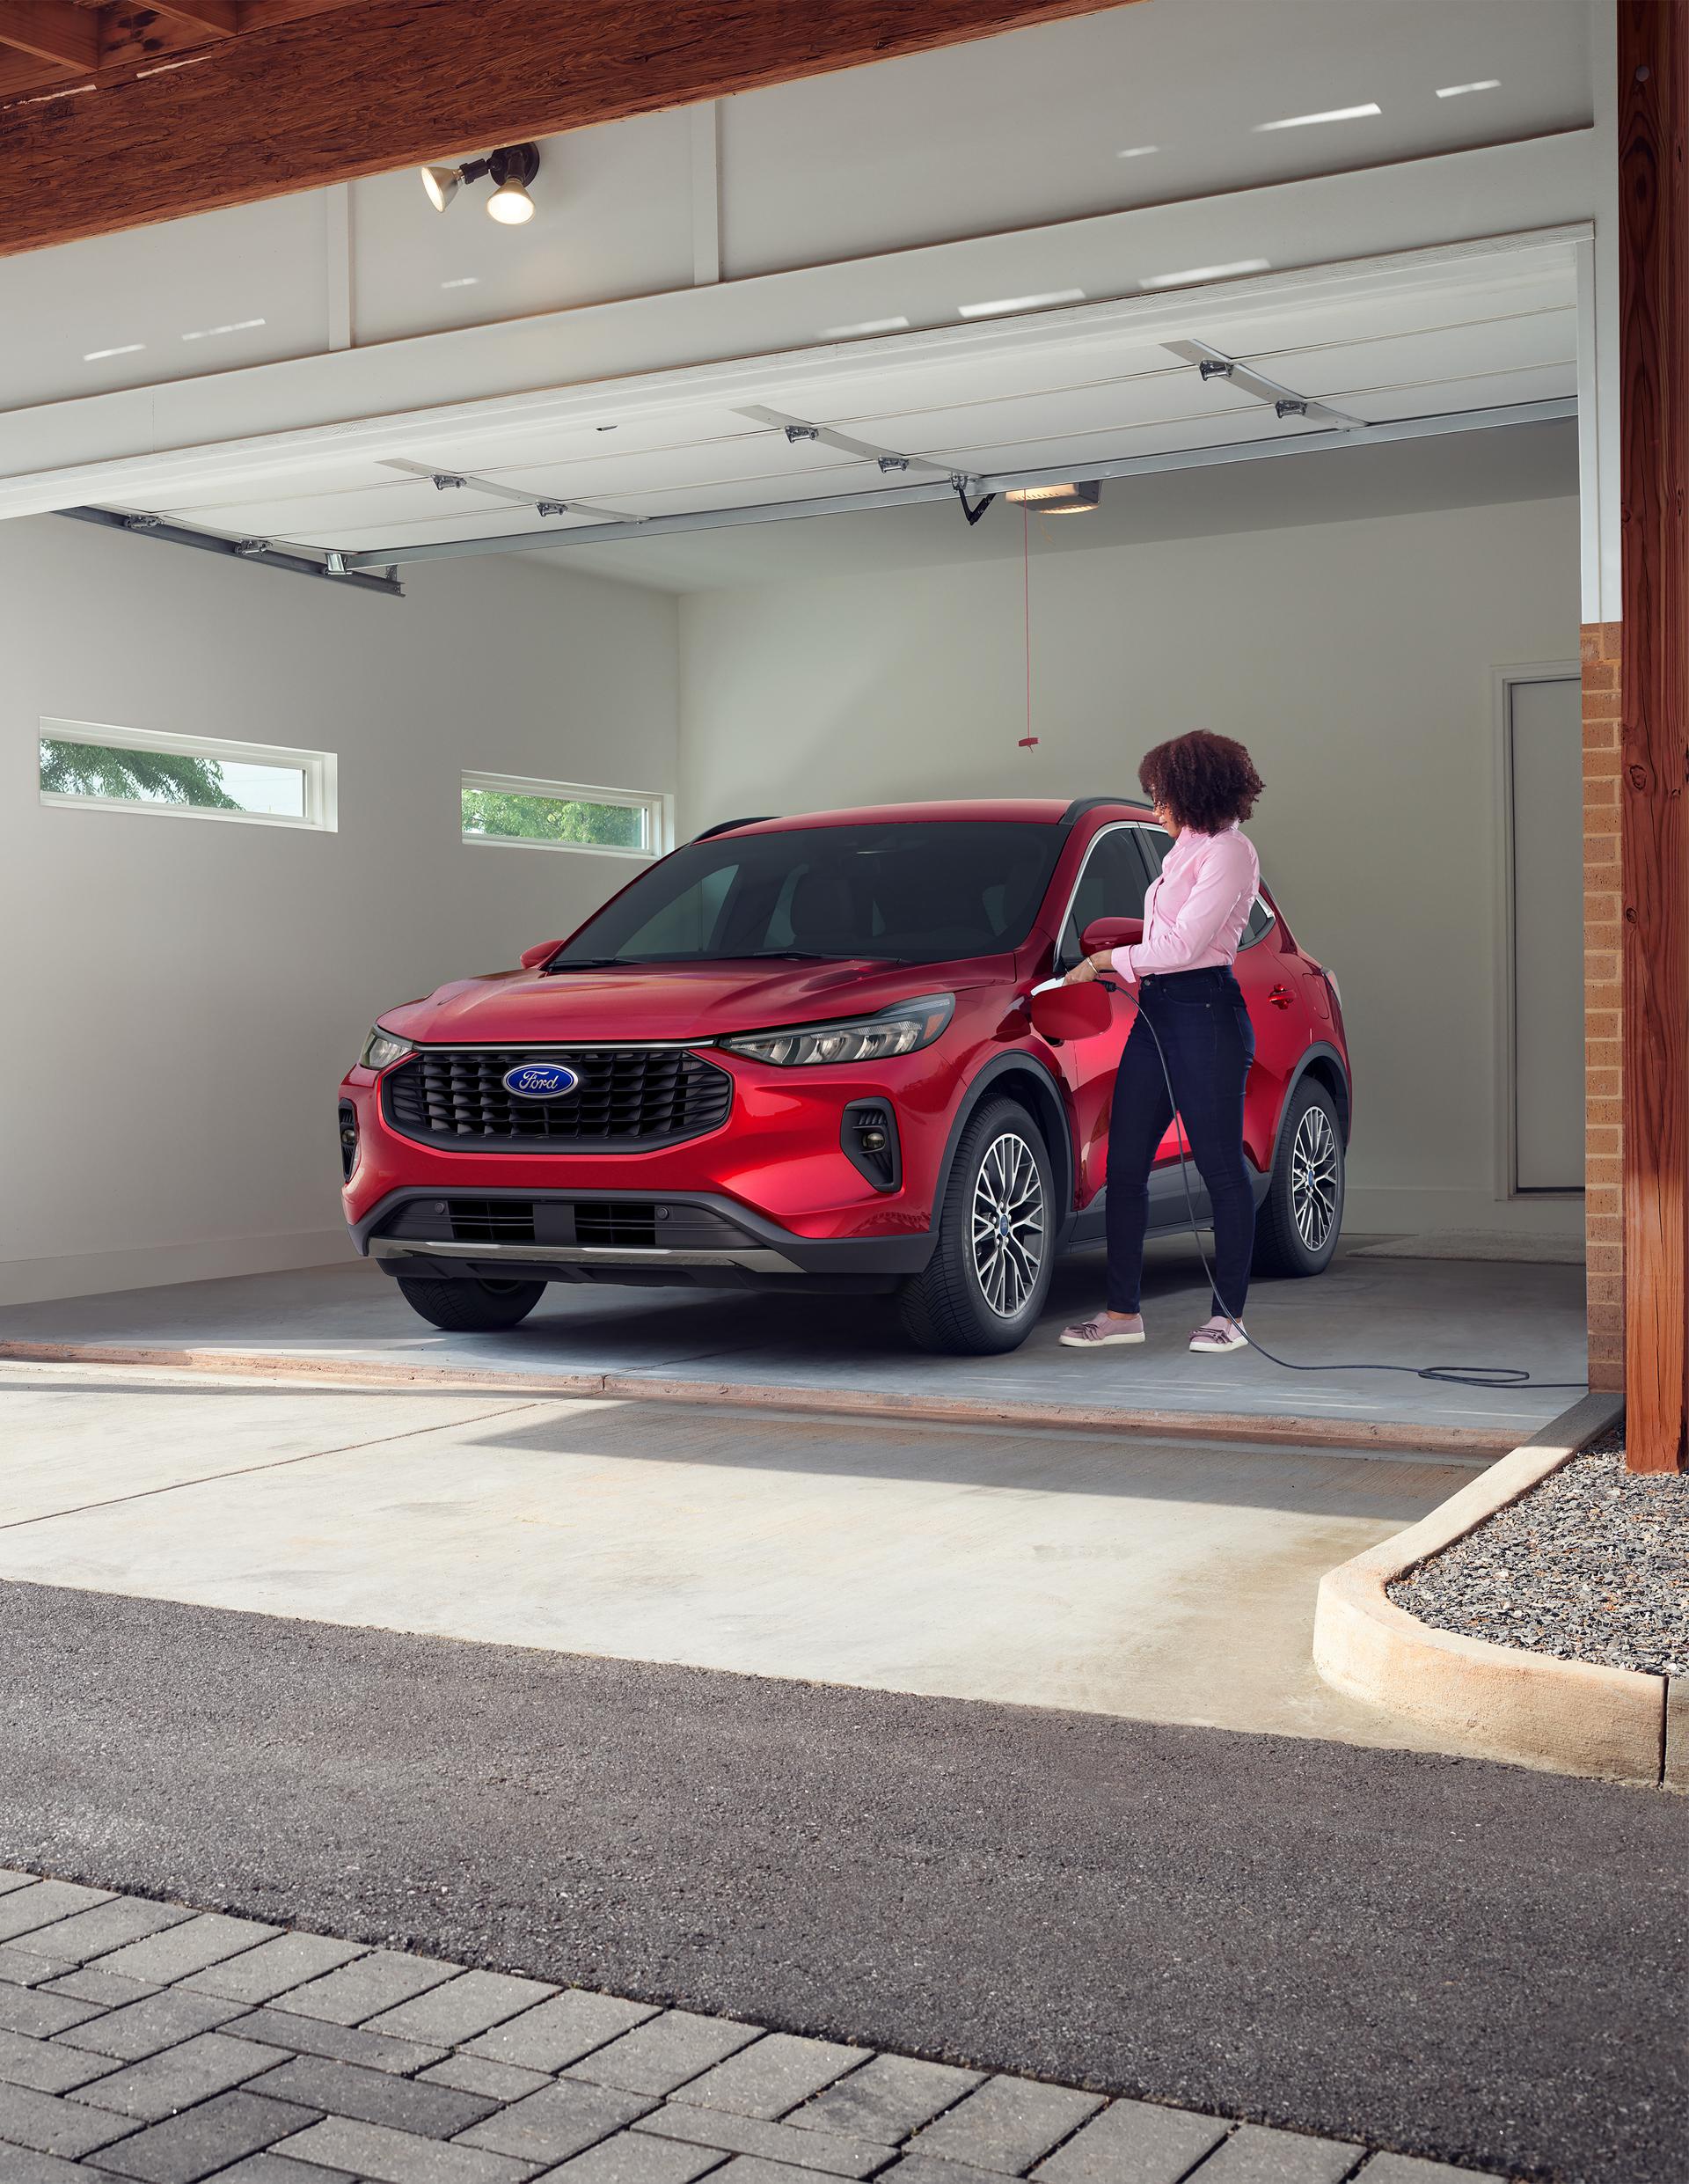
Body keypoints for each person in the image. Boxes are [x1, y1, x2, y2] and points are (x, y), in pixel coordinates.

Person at [1059, 730, 1263, 1356]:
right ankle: (1124, 1313)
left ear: (1192, 790)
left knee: (1221, 1168)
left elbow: (1181, 949)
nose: (1154, 808)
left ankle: (1228, 1316)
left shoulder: (1230, 853)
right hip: (1159, 1014)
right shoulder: (1183, 852)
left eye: (1161, 796)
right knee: (1124, 1167)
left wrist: (1103, 962)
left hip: (1205, 1013)